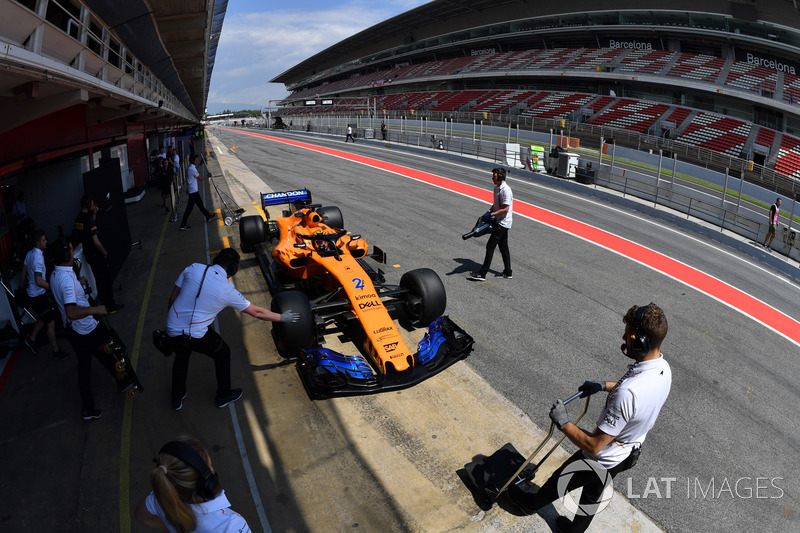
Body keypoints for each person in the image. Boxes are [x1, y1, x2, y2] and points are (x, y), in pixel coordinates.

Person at [507, 303, 672, 533]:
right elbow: (636, 397)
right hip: (625, 454)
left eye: (627, 334)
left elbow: (593, 446)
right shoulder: (662, 368)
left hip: (601, 457)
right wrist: (603, 386)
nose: (624, 338)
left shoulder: (629, 393)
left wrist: (563, 421)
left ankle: (527, 505)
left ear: (639, 340)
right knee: (592, 497)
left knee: (560, 480)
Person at [165, 248, 300, 410]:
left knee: (181, 358)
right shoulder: (227, 290)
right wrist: (283, 317)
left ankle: (177, 397)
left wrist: (171, 326)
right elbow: (256, 312)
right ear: (233, 269)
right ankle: (223, 395)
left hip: (172, 327)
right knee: (223, 353)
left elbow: (173, 296)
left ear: (216, 260)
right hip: (197, 334)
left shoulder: (193, 267)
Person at [49, 239, 134, 420]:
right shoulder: (66, 281)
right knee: (110, 350)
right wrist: (96, 309)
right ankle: (124, 380)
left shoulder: (56, 274)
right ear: (65, 255)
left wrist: (78, 283)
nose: (73, 253)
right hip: (86, 329)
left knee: (86, 365)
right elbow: (71, 312)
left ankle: (89, 408)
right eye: (71, 250)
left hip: (73, 332)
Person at [135, 436, 251, 533]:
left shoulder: (161, 497)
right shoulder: (231, 526)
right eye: (210, 466)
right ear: (207, 483)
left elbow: (142, 515)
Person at [21, 230, 69, 359]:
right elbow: (39, 281)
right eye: (43, 240)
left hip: (33, 294)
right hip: (37, 296)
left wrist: (22, 286)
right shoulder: (37, 257)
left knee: (44, 317)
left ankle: (31, 339)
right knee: (51, 323)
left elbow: (24, 269)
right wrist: (53, 287)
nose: (46, 242)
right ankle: (56, 351)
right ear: (38, 243)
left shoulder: (29, 253)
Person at [74, 195, 124, 313]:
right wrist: (104, 252)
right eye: (92, 204)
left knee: (99, 279)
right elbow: (95, 241)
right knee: (105, 280)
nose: (94, 206)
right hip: (97, 255)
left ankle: (104, 302)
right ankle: (110, 305)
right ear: (87, 206)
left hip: (88, 254)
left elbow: (88, 229)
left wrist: (94, 213)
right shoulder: (88, 220)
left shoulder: (79, 219)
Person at [468, 167, 513, 281]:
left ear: (500, 177)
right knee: (504, 248)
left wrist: (492, 215)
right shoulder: (496, 189)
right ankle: (508, 272)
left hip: (502, 223)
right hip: (499, 221)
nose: (492, 178)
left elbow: (505, 209)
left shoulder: (506, 190)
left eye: (494, 176)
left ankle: (482, 274)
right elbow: (496, 205)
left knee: (490, 247)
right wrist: (488, 212)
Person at [179, 154, 216, 231]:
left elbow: (196, 171)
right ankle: (183, 224)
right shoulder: (192, 169)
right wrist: (207, 176)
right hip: (193, 192)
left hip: (193, 190)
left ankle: (208, 216)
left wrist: (201, 164)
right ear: (193, 160)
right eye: (196, 160)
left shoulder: (190, 167)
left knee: (200, 204)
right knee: (189, 208)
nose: (197, 160)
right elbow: (201, 178)